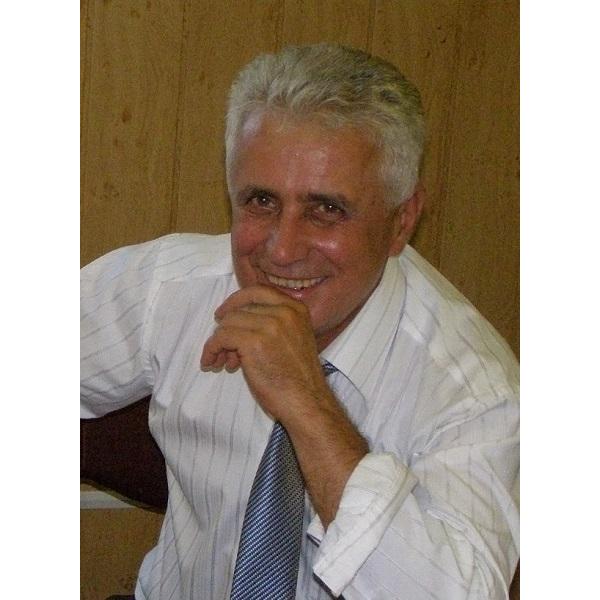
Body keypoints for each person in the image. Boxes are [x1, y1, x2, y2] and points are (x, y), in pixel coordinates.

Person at [81, 43, 519, 599]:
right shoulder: (172, 288)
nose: (282, 250)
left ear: (402, 221)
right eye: (261, 201)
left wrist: (306, 401)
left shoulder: (476, 395)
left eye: (326, 210)